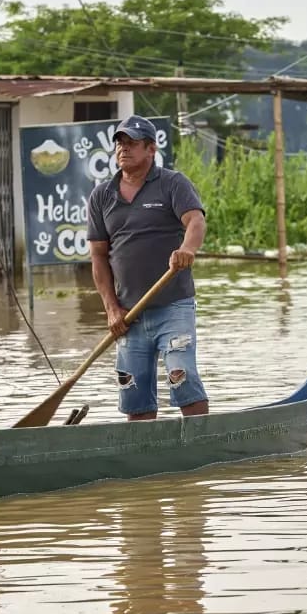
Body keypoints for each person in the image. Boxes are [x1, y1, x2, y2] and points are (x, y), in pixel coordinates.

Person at [86, 115, 210, 421]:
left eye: (132, 143)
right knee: (133, 393)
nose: (124, 149)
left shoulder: (172, 183)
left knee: (181, 376)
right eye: (120, 143)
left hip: (173, 306)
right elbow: (98, 256)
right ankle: (143, 446)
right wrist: (111, 309)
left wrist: (187, 249)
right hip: (129, 314)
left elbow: (195, 221)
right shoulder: (102, 195)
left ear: (151, 149)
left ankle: (202, 438)